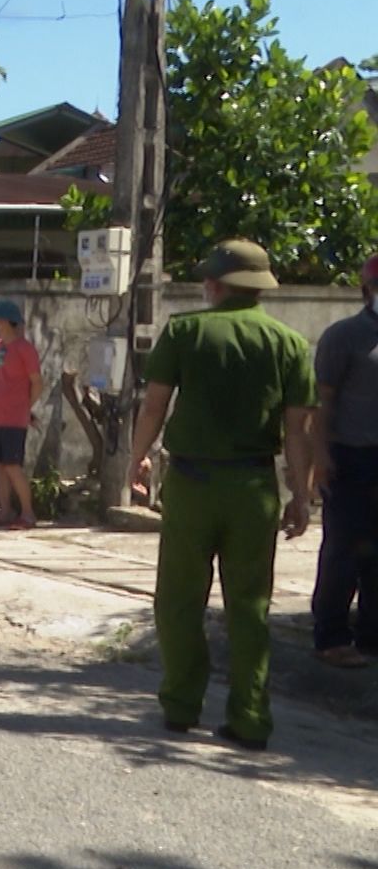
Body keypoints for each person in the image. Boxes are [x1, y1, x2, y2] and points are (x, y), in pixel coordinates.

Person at [129, 239, 314, 752]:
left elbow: (154, 408)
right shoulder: (289, 344)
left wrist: (138, 456)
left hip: (192, 485)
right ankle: (250, 718)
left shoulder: (185, 331)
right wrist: (301, 495)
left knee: (179, 599)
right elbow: (299, 432)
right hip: (255, 487)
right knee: (250, 606)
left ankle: (182, 704)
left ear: (214, 285)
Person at [306, 255, 378, 669]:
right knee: (343, 550)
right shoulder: (345, 336)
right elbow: (323, 401)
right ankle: (330, 636)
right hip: (351, 456)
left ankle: (372, 636)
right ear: (366, 290)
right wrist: (321, 455)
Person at [0, 300, 43, 529]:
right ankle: (5, 511)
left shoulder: (25, 349)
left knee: (12, 465)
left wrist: (24, 406)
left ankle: (28, 513)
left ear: (8, 322)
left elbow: (37, 382)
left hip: (14, 419)